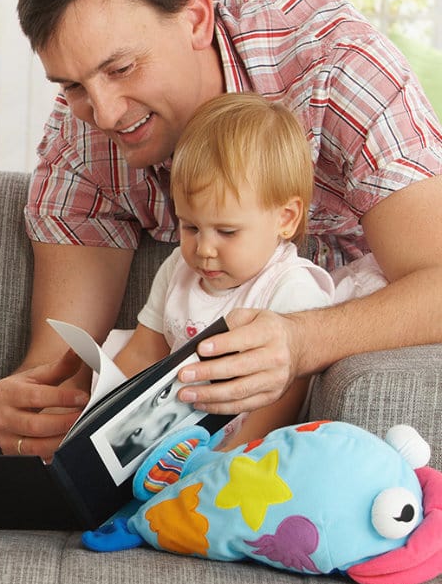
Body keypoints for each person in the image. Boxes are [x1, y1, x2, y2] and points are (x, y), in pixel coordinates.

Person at [0, 0, 442, 461]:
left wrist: (300, 340)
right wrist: (30, 408)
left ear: (196, 17)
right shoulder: (79, 137)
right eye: (72, 85)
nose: (103, 114)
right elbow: (60, 360)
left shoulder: (332, 62)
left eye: (122, 68)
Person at [110, 92, 347, 454]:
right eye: (190, 227)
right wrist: (107, 419)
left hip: (250, 453)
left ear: (285, 218)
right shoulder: (177, 268)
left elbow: (280, 405)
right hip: (173, 444)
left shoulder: (291, 288)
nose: (203, 249)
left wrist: (226, 458)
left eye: (227, 232)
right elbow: (143, 353)